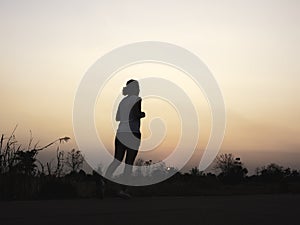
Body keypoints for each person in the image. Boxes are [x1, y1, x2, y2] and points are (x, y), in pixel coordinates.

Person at [105, 79, 145, 197]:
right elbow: (136, 114)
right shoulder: (137, 99)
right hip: (132, 133)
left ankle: (104, 181)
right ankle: (122, 190)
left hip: (121, 133)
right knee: (129, 163)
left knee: (117, 160)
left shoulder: (123, 101)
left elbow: (117, 118)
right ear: (134, 89)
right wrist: (142, 114)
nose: (138, 89)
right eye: (137, 87)